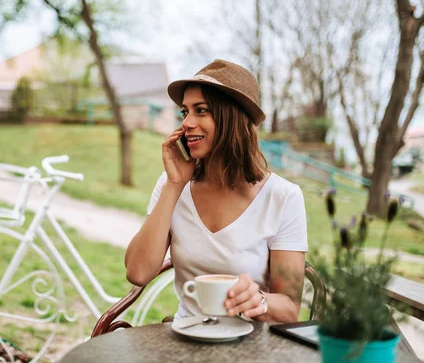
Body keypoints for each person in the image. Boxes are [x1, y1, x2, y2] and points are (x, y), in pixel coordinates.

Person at [125, 59, 308, 323]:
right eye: (184, 112)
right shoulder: (172, 187)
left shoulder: (283, 197)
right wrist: (174, 186)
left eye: (201, 111)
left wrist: (260, 299)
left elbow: (290, 308)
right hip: (186, 340)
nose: (186, 123)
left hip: (253, 346)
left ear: (231, 118)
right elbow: (138, 272)